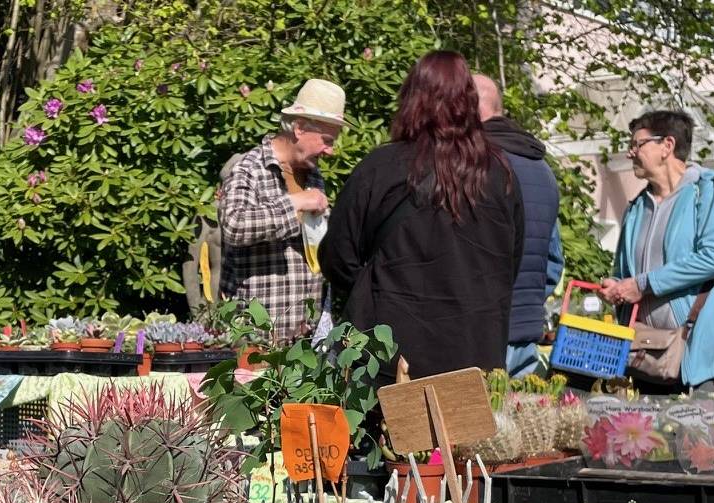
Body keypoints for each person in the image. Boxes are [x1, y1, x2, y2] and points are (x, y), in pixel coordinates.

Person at [321, 52, 522, 379]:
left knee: (388, 432)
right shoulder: (501, 175)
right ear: (468, 103)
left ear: (412, 99)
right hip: (474, 359)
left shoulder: (381, 168)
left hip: (392, 358)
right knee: (467, 431)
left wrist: (378, 288)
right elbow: (509, 263)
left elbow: (338, 259)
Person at [600, 110, 714, 391]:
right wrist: (617, 287)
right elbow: (624, 272)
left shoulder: (710, 191)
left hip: (694, 361)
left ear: (667, 146)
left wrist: (644, 284)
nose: (630, 153)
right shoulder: (637, 207)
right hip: (643, 357)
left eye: (637, 144)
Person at [217, 79, 346, 343]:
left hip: (304, 340)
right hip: (254, 339)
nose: (331, 151)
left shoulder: (312, 175)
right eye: (327, 140)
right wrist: (296, 204)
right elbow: (233, 224)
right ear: (299, 128)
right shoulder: (249, 168)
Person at [474, 74, 564, 378]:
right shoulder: (543, 170)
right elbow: (553, 263)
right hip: (525, 333)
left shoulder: (472, 165)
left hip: (478, 334)